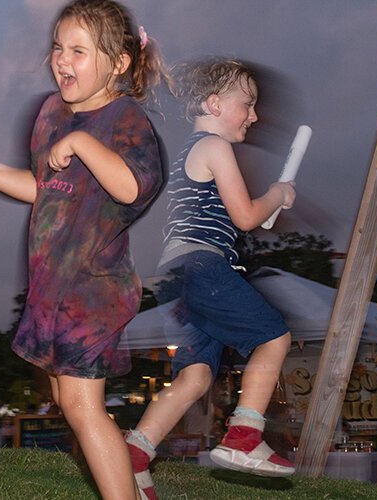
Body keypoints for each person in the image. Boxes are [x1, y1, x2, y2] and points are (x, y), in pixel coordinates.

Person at [0, 1, 165, 496]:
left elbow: (131, 187)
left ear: (120, 63)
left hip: (94, 287)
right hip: (53, 287)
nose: (63, 59)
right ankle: (134, 485)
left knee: (84, 407)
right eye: (58, 47)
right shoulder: (50, 114)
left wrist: (83, 143)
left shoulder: (127, 120)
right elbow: (42, 186)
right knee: (68, 400)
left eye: (79, 51)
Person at [123, 57, 296, 497]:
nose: (255, 115)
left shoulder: (192, 151)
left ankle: (134, 456)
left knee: (195, 377)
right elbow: (245, 216)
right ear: (215, 103)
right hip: (203, 266)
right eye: (248, 104)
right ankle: (243, 437)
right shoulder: (216, 147)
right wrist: (276, 193)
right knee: (273, 338)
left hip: (177, 275)